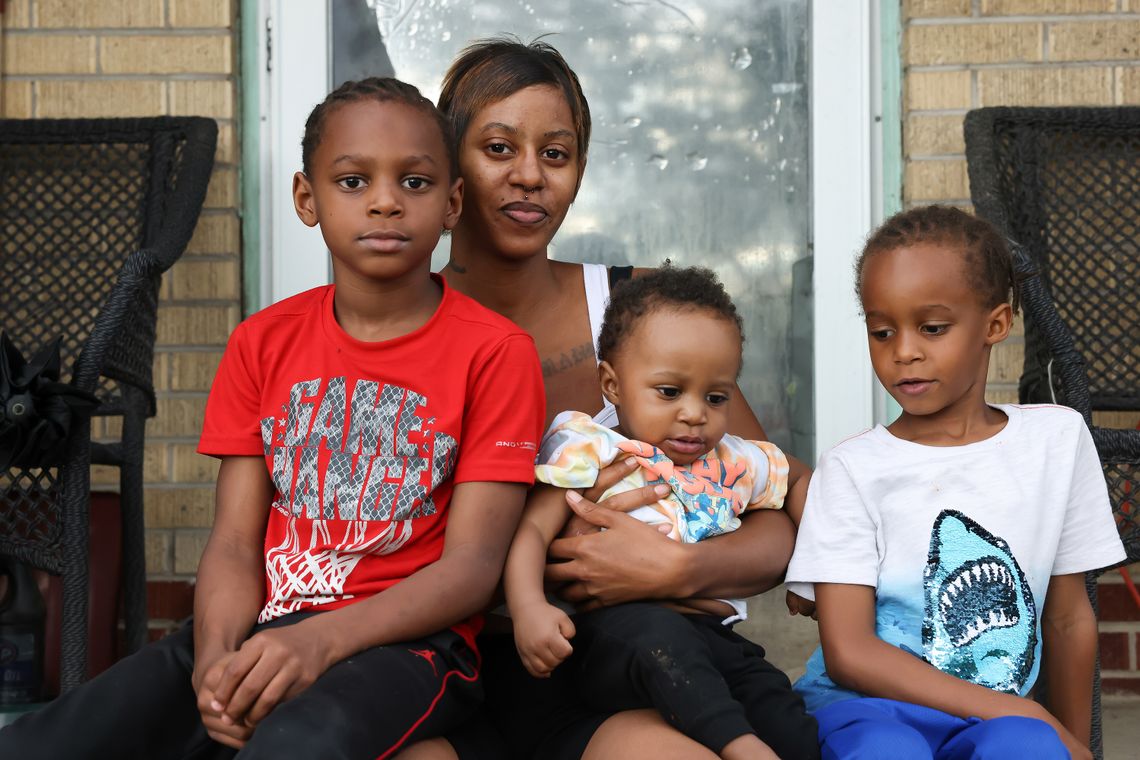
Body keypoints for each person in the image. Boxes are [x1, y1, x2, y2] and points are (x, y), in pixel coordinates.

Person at [0, 77, 545, 759]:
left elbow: (472, 567)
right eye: (352, 181)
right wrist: (213, 660)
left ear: (451, 203)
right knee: (45, 745)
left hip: (408, 647)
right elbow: (234, 540)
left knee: (292, 746)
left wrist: (319, 640)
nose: (384, 200)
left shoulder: (493, 352)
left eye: (414, 182)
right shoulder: (263, 342)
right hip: (265, 625)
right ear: (306, 199)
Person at [399, 37, 809, 760]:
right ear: (448, 167)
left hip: (627, 665)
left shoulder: (636, 308)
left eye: (555, 154)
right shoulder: (397, 327)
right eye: (498, 148)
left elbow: (771, 515)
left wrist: (677, 567)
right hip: (453, 669)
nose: (529, 176)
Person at [784, 205, 1127, 760]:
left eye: (933, 327)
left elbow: (1067, 616)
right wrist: (1023, 708)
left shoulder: (1056, 442)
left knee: (1027, 749)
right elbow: (848, 652)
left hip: (993, 720)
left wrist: (1068, 741)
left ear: (995, 324)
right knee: (887, 752)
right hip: (861, 708)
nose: (904, 352)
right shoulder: (852, 468)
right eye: (882, 331)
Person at [506, 265, 819, 760]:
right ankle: (740, 748)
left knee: (783, 714)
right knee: (664, 641)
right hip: (613, 634)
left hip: (713, 632)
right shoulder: (591, 447)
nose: (695, 414)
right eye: (670, 392)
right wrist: (529, 609)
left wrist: (813, 571)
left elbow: (802, 480)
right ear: (611, 383)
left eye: (716, 397)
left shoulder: (734, 460)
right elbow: (531, 530)